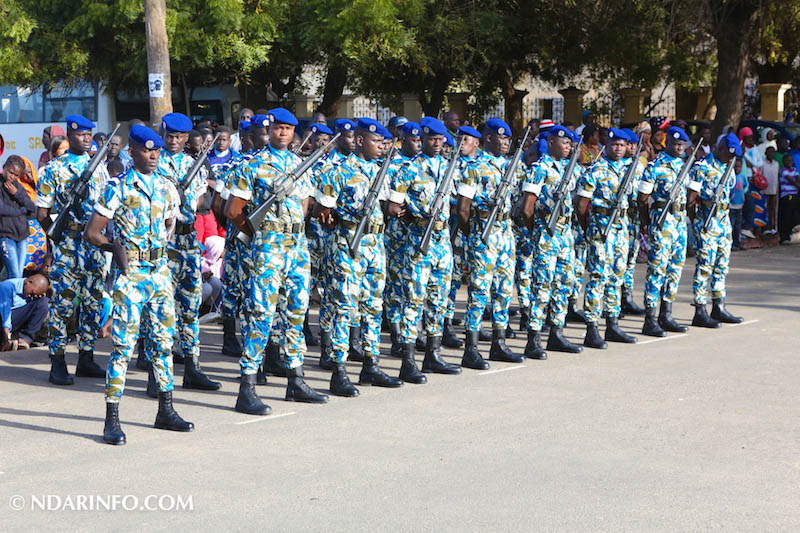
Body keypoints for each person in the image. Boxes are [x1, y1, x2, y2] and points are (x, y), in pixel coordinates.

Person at [85, 123, 194, 445]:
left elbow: (170, 223)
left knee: (163, 343)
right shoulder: (117, 187)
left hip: (159, 273)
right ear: (132, 151)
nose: (153, 155)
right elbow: (92, 231)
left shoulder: (166, 187)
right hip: (130, 273)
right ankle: (112, 418)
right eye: (147, 150)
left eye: (157, 150)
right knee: (123, 347)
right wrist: (111, 246)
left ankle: (166, 410)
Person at [225, 107, 329, 415]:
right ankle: (247, 388)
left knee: (296, 313)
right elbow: (233, 211)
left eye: (288, 129)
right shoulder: (254, 164)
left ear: (294, 132)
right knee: (261, 315)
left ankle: (295, 380)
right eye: (278, 128)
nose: (283, 133)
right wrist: (256, 234)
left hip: (296, 247)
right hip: (269, 247)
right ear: (270, 130)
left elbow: (306, 202)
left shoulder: (301, 164)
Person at [313, 118, 405, 396]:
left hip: (375, 244)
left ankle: (370, 363)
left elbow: (388, 206)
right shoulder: (338, 171)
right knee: (344, 306)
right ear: (361, 141)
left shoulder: (382, 171)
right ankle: (339, 370)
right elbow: (321, 208)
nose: (382, 147)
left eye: (384, 143)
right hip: (347, 243)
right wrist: (337, 219)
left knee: (373, 305)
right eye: (378, 142)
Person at [144, 112, 220, 393]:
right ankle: (155, 375)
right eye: (170, 136)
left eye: (179, 137)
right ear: (162, 135)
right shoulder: (153, 162)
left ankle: (192, 368)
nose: (174, 141)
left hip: (187, 242)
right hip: (162, 243)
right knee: (159, 310)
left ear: (187, 138)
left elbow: (200, 201)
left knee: (189, 307)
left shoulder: (194, 164)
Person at [388, 116, 467, 376]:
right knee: (413, 299)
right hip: (418, 240)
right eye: (431, 139)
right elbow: (393, 204)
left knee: (438, 298)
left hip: (442, 240)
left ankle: (433, 354)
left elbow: (463, 198)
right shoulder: (409, 168)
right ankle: (408, 361)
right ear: (421, 139)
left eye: (439, 139)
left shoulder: (450, 167)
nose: (436, 143)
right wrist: (412, 214)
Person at [37, 114, 110, 385]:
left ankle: (86, 358)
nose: (87, 138)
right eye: (81, 134)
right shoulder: (53, 169)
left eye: (90, 134)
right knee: (63, 304)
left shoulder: (99, 167)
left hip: (94, 245)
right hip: (67, 245)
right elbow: (42, 211)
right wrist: (58, 234)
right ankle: (57, 362)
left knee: (92, 302)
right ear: (70, 134)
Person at [457, 118, 526, 367]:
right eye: (501, 138)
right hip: (483, 233)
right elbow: (463, 210)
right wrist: (473, 236)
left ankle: (499, 343)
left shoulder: (511, 166)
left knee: (504, 290)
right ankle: (471, 349)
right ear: (488, 138)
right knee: (479, 292)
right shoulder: (474, 167)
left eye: (508, 138)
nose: (506, 142)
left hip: (505, 233)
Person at [575, 128, 638, 349]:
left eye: (622, 145)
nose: (619, 149)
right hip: (601, 228)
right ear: (607, 146)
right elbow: (581, 205)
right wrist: (588, 229)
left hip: (621, 229)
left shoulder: (630, 169)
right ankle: (592, 329)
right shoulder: (596, 169)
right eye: (614, 145)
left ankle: (612, 325)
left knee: (617, 276)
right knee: (598, 277)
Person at [637, 126, 693, 337]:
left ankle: (666, 314)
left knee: (675, 268)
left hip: (679, 222)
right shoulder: (654, 166)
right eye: (676, 144)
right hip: (662, 222)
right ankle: (650, 319)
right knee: (657, 270)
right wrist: (646, 222)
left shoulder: (684, 166)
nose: (680, 148)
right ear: (667, 144)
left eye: (682, 145)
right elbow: (642, 198)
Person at [688, 133, 744, 328]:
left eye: (733, 156)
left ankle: (718, 306)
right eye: (728, 155)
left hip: (724, 221)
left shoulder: (729, 167)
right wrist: (696, 223)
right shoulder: (701, 167)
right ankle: (700, 310)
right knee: (705, 266)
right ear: (719, 149)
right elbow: (691, 199)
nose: (731, 159)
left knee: (721, 265)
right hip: (707, 221)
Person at [0, 156, 37, 280]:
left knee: (19, 274)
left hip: (22, 235)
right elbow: (2, 209)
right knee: (14, 273)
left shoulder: (18, 187)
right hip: (5, 235)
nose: (12, 177)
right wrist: (21, 211)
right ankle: (11, 299)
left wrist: (16, 194)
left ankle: (9, 297)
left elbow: (32, 209)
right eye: (10, 172)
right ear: (4, 167)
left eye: (16, 175)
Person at [0, 273, 50, 351]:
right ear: (28, 282)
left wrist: (40, 296)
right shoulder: (8, 287)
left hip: (14, 319)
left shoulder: (30, 292)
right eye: (32, 293)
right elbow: (5, 314)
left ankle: (24, 339)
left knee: (44, 302)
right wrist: (6, 339)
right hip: (3, 319)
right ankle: (4, 340)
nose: (32, 296)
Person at [778, 153, 800, 244]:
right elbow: (794, 182)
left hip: (794, 196)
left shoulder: (794, 170)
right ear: (783, 162)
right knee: (786, 217)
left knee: (793, 216)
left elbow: (798, 180)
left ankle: (790, 235)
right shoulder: (783, 171)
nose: (790, 162)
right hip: (787, 197)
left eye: (791, 160)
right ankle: (784, 237)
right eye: (788, 160)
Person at [729, 158, 746, 250]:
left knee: (738, 225)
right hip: (731, 205)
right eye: (735, 167)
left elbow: (744, 186)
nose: (737, 169)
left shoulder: (742, 177)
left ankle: (737, 242)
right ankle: (731, 243)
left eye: (739, 167)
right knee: (731, 224)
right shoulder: (730, 177)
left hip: (740, 205)